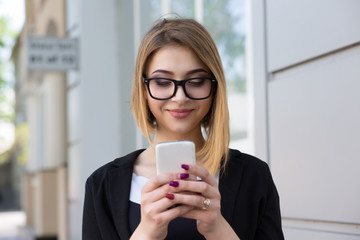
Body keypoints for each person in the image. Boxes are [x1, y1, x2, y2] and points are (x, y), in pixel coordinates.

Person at [82, 18, 284, 240]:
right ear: (143, 89)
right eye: (162, 82)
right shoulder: (102, 185)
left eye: (196, 81)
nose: (179, 97)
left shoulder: (254, 176)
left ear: (215, 87)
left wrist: (217, 228)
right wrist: (146, 232)